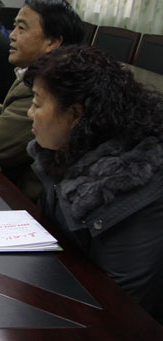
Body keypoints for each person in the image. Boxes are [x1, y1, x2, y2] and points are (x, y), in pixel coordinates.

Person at [24, 46, 163, 323]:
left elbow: (119, 310)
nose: (30, 113)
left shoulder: (133, 187)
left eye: (38, 104)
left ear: (75, 115)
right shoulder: (67, 151)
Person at [0, 0, 84, 199]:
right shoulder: (35, 72)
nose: (12, 35)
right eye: (14, 27)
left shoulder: (53, 85)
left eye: (22, 28)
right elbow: (11, 114)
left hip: (33, 202)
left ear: (52, 42)